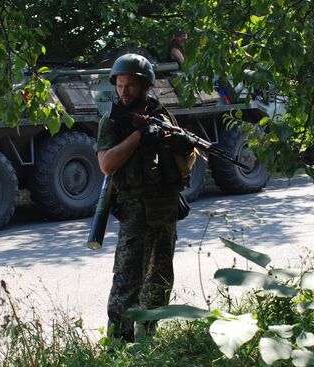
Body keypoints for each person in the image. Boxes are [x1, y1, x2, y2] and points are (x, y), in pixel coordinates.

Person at [96, 53, 196, 344]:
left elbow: (187, 164)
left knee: (160, 280)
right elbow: (106, 164)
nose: (123, 91)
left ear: (145, 87)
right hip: (135, 208)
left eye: (130, 86)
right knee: (127, 281)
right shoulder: (113, 121)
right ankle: (118, 345)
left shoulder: (163, 116)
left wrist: (185, 147)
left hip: (165, 207)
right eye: (120, 85)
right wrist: (140, 135)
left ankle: (148, 340)